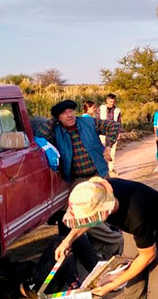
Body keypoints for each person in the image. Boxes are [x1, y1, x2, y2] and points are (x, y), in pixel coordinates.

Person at [35, 100, 124, 262]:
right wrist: (54, 120)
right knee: (85, 215)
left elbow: (114, 126)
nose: (69, 115)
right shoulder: (56, 130)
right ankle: (111, 241)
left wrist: (108, 147)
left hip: (98, 175)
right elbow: (39, 136)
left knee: (104, 212)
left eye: (71, 111)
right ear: (58, 118)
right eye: (64, 113)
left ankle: (107, 246)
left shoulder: (87, 122)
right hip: (77, 181)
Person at [99, 94, 122, 176]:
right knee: (102, 151)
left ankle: (111, 169)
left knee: (112, 152)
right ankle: (103, 170)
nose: (112, 103)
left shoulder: (117, 110)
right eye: (110, 101)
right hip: (102, 133)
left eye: (113, 101)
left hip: (113, 133)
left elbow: (119, 122)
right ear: (107, 100)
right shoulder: (101, 108)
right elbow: (97, 119)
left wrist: (119, 132)